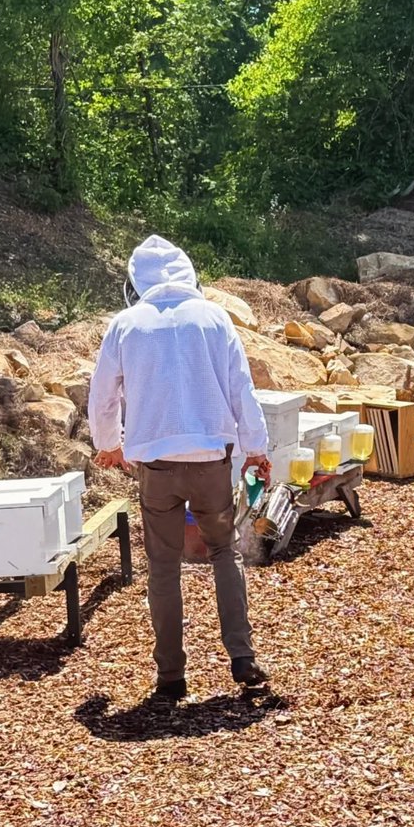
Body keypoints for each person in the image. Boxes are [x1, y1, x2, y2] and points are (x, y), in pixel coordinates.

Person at [88, 235, 271, 699]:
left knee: (164, 566)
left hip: (156, 466)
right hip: (211, 461)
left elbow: (102, 395)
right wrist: (256, 449)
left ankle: (170, 675)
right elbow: (242, 388)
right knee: (224, 552)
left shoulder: (126, 324)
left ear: (135, 283)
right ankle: (242, 656)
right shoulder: (214, 318)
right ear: (190, 275)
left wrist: (109, 445)